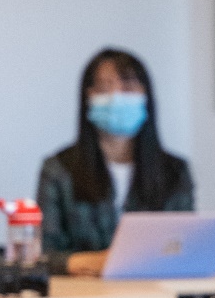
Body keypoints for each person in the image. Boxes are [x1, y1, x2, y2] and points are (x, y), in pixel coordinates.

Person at [37, 48, 193, 276]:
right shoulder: (58, 170)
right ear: (88, 96)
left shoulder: (175, 171)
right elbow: (43, 254)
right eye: (104, 88)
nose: (116, 96)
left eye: (128, 87)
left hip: (156, 290)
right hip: (82, 293)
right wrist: (93, 262)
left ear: (146, 96)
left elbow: (186, 245)